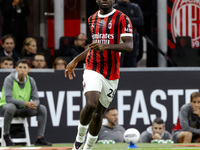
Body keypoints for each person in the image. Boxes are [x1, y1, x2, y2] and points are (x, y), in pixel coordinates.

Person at [65, 0, 133, 149]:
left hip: (111, 74)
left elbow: (129, 45)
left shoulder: (122, 18)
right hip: (92, 67)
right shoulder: (92, 19)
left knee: (98, 114)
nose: (104, 0)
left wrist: (106, 46)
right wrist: (75, 60)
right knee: (90, 104)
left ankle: (88, 147)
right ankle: (78, 141)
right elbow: (94, 46)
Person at [0, 59, 52, 146]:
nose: (22, 70)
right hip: (5, 109)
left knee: (42, 108)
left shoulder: (31, 80)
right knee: (11, 107)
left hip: (21, 110)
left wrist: (34, 104)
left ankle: (40, 138)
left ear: (28, 70)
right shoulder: (9, 79)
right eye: (20, 67)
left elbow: (36, 98)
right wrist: (25, 103)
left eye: (25, 67)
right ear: (16, 68)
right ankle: (6, 135)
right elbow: (9, 99)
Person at [113, 0, 144, 67]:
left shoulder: (135, 7)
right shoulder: (114, 8)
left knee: (132, 63)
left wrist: (125, 20)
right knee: (118, 64)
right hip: (118, 41)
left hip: (133, 41)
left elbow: (140, 21)